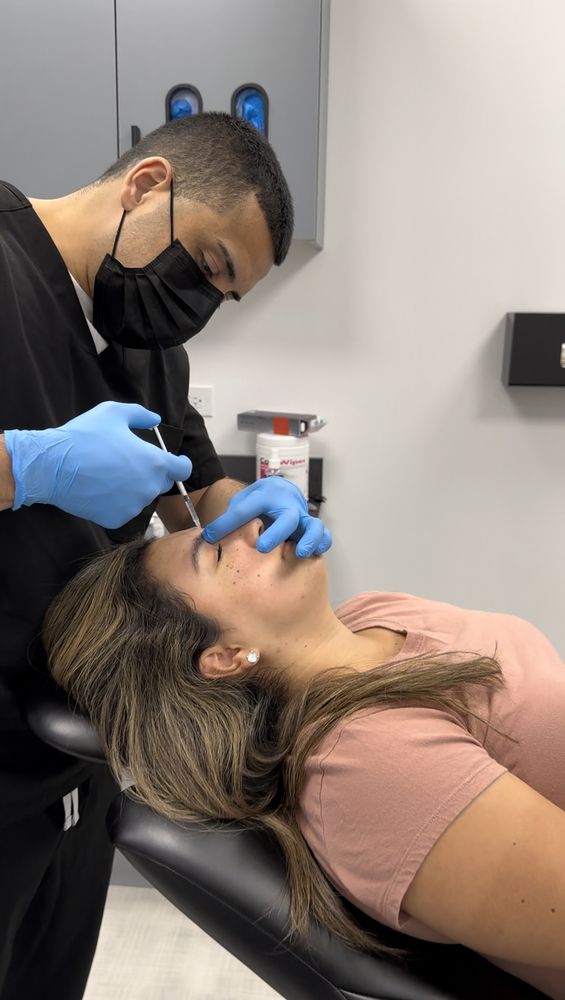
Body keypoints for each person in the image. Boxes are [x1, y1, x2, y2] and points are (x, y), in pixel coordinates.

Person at [0, 112, 330, 1000]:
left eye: (227, 294)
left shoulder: (150, 351)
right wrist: (25, 466)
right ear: (148, 184)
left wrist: (259, 516)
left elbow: (198, 488)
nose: (202, 302)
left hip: (77, 757)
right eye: (211, 264)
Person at [43, 520, 565, 1000]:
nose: (253, 522)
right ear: (225, 657)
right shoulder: (373, 763)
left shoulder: (372, 615)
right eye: (215, 550)